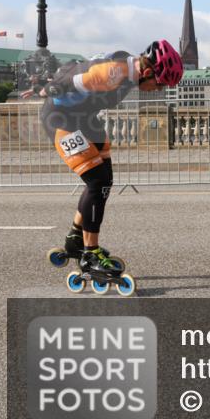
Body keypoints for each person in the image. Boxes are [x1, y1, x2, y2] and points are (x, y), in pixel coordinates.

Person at [23, 40, 184, 294]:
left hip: (85, 119)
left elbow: (76, 65)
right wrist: (49, 87)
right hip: (61, 120)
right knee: (97, 181)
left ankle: (76, 238)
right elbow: (77, 74)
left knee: (104, 179)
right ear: (148, 71)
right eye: (161, 83)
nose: (158, 89)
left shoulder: (128, 70)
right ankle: (90, 254)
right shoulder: (115, 72)